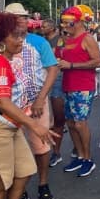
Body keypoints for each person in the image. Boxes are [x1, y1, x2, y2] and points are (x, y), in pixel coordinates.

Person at [0, 13, 57, 199]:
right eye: (16, 36)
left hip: (10, 125)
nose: (21, 40)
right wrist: (35, 126)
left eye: (22, 35)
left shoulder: (6, 60)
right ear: (1, 40)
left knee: (24, 170)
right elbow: (2, 101)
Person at [4, 3, 59, 199]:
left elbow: (52, 69)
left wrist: (40, 99)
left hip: (36, 103)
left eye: (23, 17)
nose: (21, 20)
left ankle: (43, 184)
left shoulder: (38, 42)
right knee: (11, 148)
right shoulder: (0, 43)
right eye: (15, 17)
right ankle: (19, 190)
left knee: (41, 146)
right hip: (8, 106)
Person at [56, 6, 100, 177]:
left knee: (80, 123)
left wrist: (72, 66)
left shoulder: (87, 38)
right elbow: (61, 57)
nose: (65, 26)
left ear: (78, 22)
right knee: (70, 123)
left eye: (69, 23)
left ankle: (88, 159)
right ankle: (79, 155)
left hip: (83, 86)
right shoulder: (66, 39)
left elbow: (98, 62)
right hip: (67, 85)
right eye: (64, 23)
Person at [41, 19, 68, 168]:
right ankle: (50, 152)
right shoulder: (42, 40)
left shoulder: (61, 40)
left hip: (58, 79)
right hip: (43, 81)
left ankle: (56, 152)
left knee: (59, 118)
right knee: (48, 119)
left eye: (45, 26)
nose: (42, 27)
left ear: (52, 27)